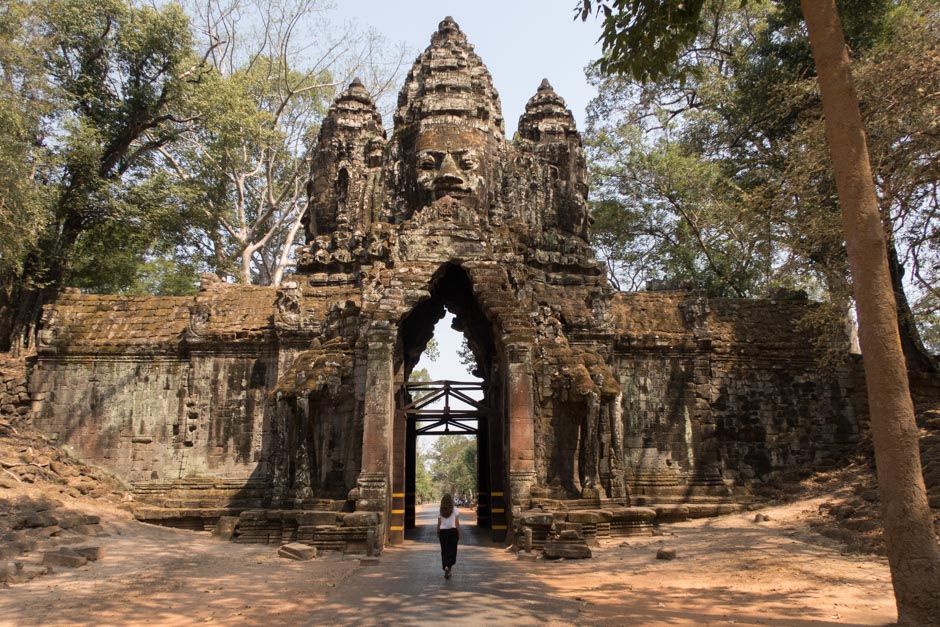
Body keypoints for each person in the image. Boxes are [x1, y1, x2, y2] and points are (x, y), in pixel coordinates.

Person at [436, 493, 460, 579]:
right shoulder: (455, 510)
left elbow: (439, 524)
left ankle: (445, 566)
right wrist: (459, 533)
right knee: (452, 550)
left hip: (443, 533)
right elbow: (457, 523)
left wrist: (438, 532)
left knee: (444, 550)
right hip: (453, 532)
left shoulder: (441, 511)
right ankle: (449, 568)